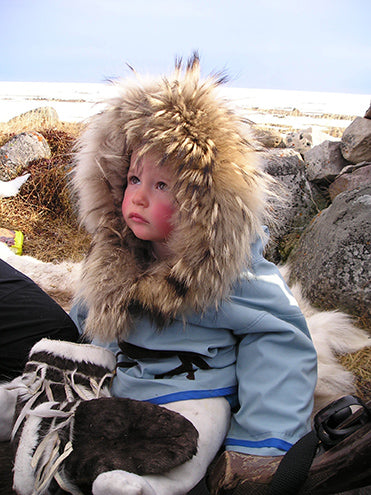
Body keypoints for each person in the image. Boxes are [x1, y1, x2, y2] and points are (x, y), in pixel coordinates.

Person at [0, 53, 317, 495]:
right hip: (119, 388)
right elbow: (87, 325)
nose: (139, 198)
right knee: (66, 410)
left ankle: (156, 485)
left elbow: (281, 343)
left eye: (162, 185)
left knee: (194, 434)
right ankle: (19, 409)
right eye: (133, 179)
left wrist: (264, 440)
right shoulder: (116, 255)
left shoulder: (231, 273)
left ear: (201, 199)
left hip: (192, 396)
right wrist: (68, 367)